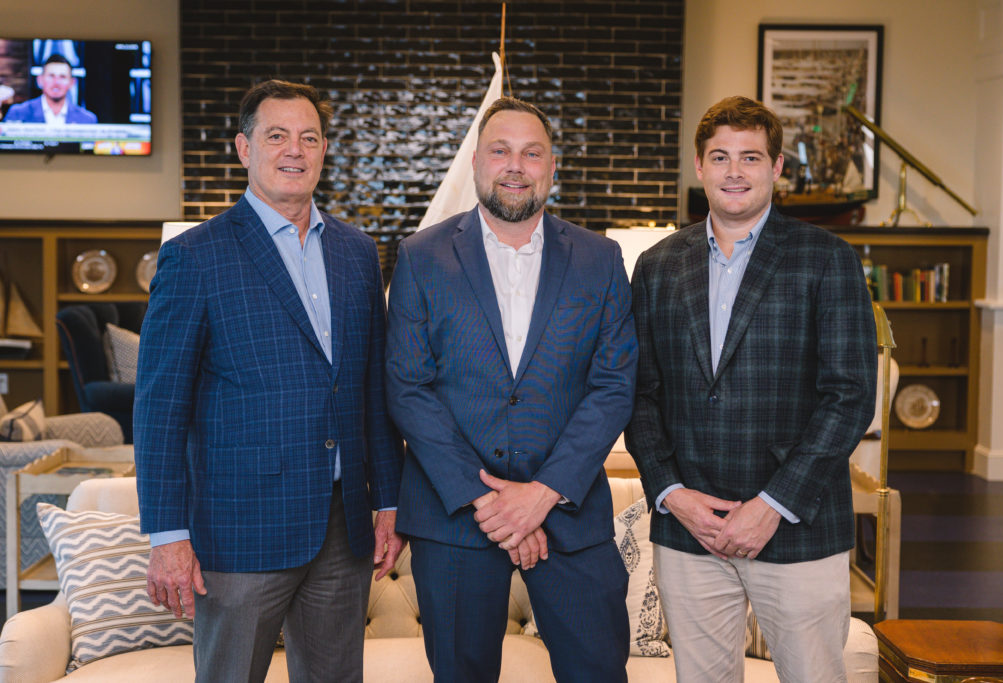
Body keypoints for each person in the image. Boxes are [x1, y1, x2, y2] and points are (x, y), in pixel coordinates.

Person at [134, 79, 403, 683]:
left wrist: (388, 498)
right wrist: (168, 535)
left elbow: (371, 393)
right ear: (243, 148)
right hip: (238, 530)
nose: (294, 150)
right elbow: (159, 407)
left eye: (309, 137)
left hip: (344, 530)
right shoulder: (196, 256)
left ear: (324, 151)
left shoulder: (358, 253)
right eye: (276, 135)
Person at [625, 95, 876, 682]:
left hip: (795, 525)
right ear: (699, 166)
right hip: (691, 529)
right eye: (720, 157)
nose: (734, 171)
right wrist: (671, 493)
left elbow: (850, 396)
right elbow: (639, 393)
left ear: (777, 167)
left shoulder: (828, 259)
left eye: (751, 157)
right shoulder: (657, 265)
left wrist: (772, 504)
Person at [386, 96, 637, 682]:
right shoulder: (421, 257)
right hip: (455, 518)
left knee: (599, 672)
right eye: (500, 151)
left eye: (532, 153)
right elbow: (408, 388)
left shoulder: (600, 260)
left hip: (570, 513)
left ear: (553, 167)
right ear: (477, 162)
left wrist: (542, 494)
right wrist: (493, 505)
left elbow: (613, 385)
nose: (515, 165)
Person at [3, 53, 98, 124]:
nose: (56, 83)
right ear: (40, 80)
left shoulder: (87, 119)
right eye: (51, 76)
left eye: (62, 77)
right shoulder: (18, 113)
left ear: (72, 82)